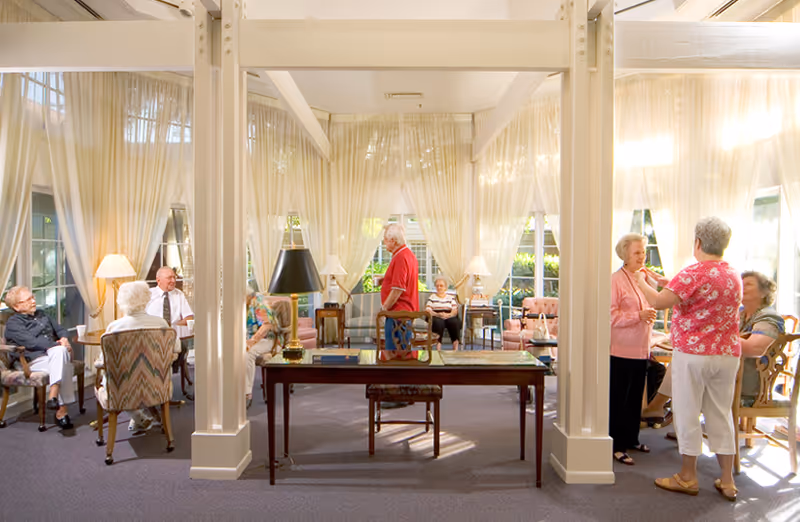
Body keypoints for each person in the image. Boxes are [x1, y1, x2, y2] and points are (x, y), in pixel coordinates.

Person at [636, 216, 742, 501]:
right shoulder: (732, 274)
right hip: (727, 356)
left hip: (694, 355)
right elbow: (702, 295)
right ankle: (728, 480)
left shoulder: (693, 273)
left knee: (687, 412)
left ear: (697, 242)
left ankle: (687, 476)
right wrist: (668, 283)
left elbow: (658, 302)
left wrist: (642, 281)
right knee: (720, 415)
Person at [97, 281, 181, 432]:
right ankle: (139, 416)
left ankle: (136, 415)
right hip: (156, 386)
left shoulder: (115, 327)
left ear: (122, 302)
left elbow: (104, 361)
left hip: (123, 389)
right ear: (146, 299)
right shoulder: (161, 324)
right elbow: (176, 348)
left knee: (111, 375)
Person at [609, 233, 657, 465]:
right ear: (625, 255)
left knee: (636, 396)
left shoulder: (644, 278)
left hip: (641, 348)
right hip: (620, 349)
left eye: (643, 252)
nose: (642, 256)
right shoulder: (615, 280)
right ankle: (617, 445)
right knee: (620, 398)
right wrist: (638, 315)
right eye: (637, 252)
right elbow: (610, 316)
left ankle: (632, 438)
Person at [4, 286, 76, 429]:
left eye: (33, 297)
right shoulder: (13, 324)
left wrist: (64, 339)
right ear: (17, 307)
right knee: (63, 363)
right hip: (30, 361)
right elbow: (33, 343)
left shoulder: (42, 314)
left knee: (60, 353)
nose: (33, 301)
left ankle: (53, 397)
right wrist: (57, 344)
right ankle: (62, 410)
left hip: (51, 355)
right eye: (29, 299)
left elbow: (61, 329)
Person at [739, 271, 784, 406]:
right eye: (740, 284)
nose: (741, 287)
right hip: (732, 377)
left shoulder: (769, 316)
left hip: (749, 385)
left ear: (764, 292)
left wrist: (715, 337)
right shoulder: (740, 313)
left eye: (748, 284)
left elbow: (755, 348)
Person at [244, 288, 291, 410]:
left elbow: (267, 325)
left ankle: (247, 393)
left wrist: (252, 341)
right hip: (256, 339)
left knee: (247, 352)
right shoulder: (245, 304)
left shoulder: (259, 302)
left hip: (270, 339)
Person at [146, 266, 194, 384]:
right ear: (158, 280)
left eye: (174, 277)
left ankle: (165, 380)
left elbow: (189, 317)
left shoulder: (179, 295)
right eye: (169, 278)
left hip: (173, 337)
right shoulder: (148, 295)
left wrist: (173, 325)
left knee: (178, 348)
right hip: (151, 337)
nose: (173, 280)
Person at [375, 223, 419, 351]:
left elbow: (398, 290)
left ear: (393, 241)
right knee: (402, 354)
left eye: (385, 239)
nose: (384, 242)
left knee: (395, 356)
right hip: (403, 314)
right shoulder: (408, 255)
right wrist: (385, 280)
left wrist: (383, 309)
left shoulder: (400, 257)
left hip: (398, 315)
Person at [426, 276, 460, 351]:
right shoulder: (432, 297)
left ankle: (455, 346)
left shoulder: (450, 297)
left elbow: (455, 310)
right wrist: (438, 314)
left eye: (441, 286)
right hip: (436, 315)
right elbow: (428, 310)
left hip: (449, 315)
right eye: (437, 286)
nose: (439, 287)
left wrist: (449, 315)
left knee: (454, 322)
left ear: (445, 287)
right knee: (438, 322)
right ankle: (438, 347)